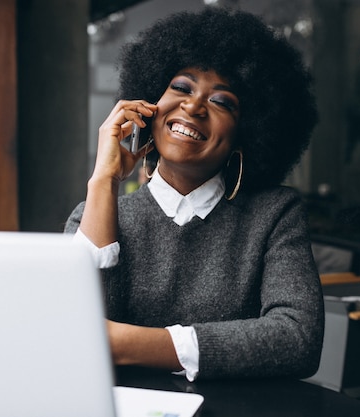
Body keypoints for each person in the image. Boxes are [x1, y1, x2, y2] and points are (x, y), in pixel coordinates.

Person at [65, 7, 323, 380]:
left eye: (222, 102)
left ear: (247, 133)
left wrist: (125, 344)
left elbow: (298, 338)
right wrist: (104, 180)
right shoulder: (92, 215)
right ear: (148, 108)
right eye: (181, 87)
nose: (194, 106)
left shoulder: (275, 215)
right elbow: (73, 334)